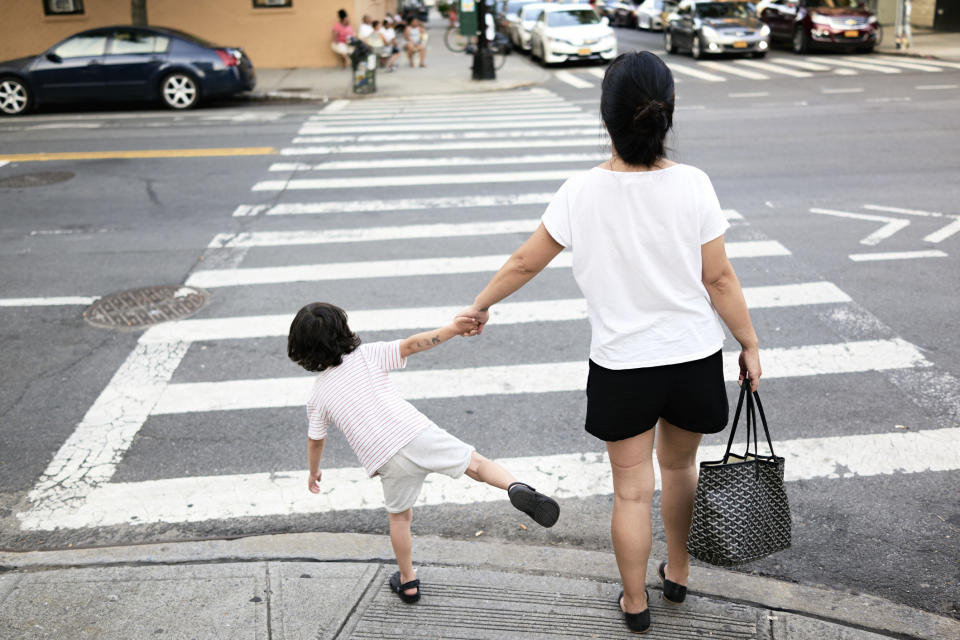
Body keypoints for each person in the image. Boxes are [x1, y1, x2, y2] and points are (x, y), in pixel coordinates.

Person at [459, 51, 762, 633]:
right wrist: (747, 343)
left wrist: (480, 306)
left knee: (630, 493)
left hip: (623, 366)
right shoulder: (694, 184)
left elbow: (526, 262)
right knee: (681, 471)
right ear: (667, 114)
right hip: (693, 357)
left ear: (608, 117)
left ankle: (634, 602)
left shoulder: (580, 192)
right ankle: (677, 572)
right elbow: (719, 278)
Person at [288, 302, 561, 603]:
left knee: (400, 519)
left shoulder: (318, 395)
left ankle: (408, 581)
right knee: (476, 464)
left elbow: (316, 439)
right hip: (416, 433)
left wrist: (314, 471)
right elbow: (412, 345)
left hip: (386, 459)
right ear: (343, 330)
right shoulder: (366, 355)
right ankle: (515, 487)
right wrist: (454, 329)